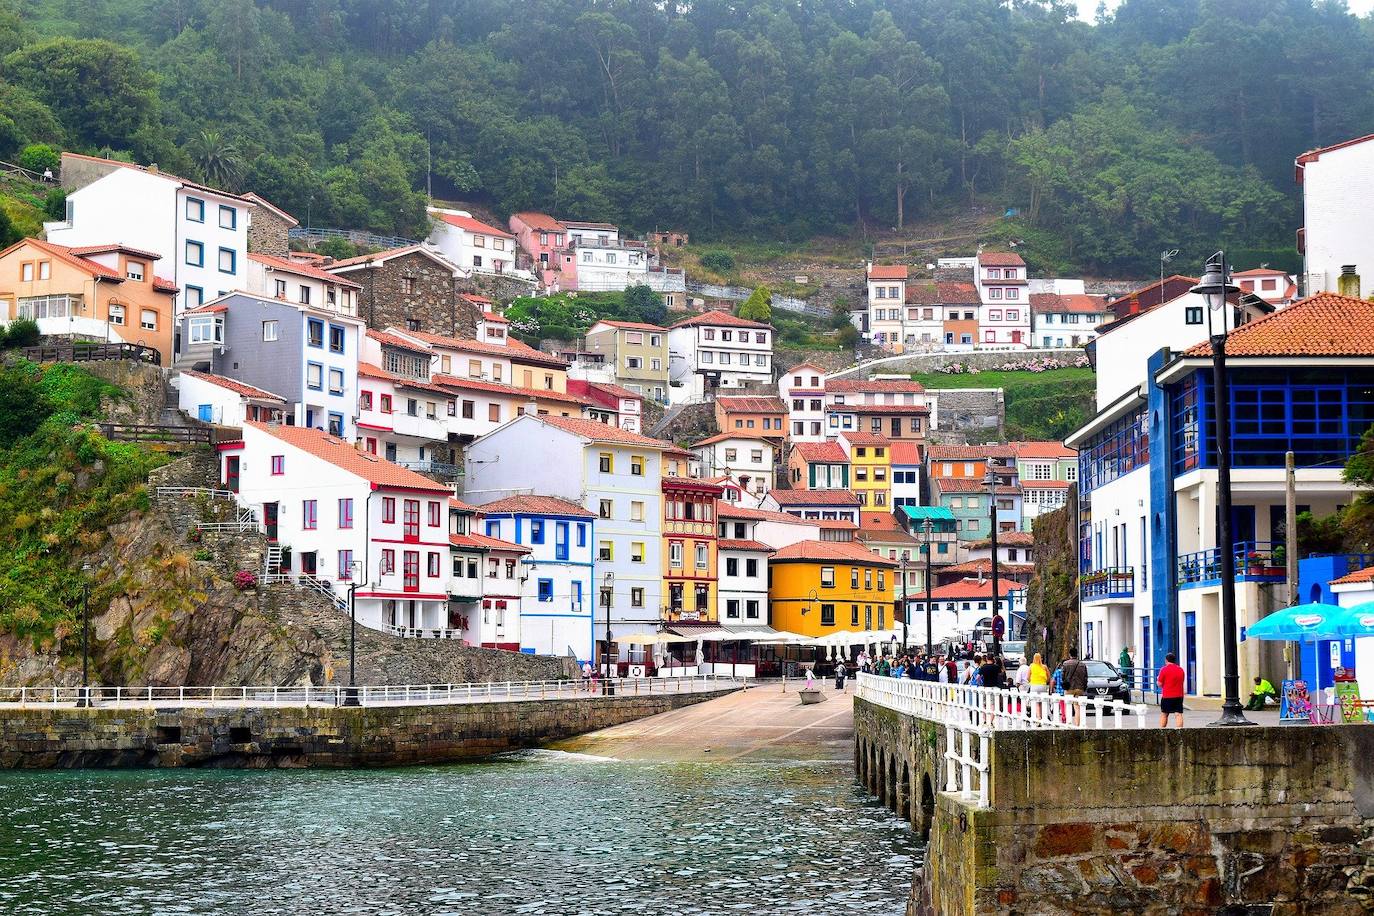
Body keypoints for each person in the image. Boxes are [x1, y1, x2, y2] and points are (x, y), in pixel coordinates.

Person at [1157, 652, 1187, 727]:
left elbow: (1159, 684)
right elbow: (1182, 681)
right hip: (1179, 695)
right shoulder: (1180, 670)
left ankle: (1162, 731)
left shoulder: (1164, 670)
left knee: (1164, 714)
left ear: (1166, 660)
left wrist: (1158, 681)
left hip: (1167, 696)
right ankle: (1179, 732)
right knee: (1178, 714)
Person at [1061, 650, 1089, 725]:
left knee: (1068, 705)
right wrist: (1084, 687)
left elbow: (1062, 677)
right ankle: (1077, 724)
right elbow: (1085, 677)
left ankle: (1069, 723)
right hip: (1079, 688)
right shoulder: (1082, 664)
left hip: (1069, 688)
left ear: (1070, 655)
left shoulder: (1065, 664)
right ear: (1077, 655)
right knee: (1077, 707)